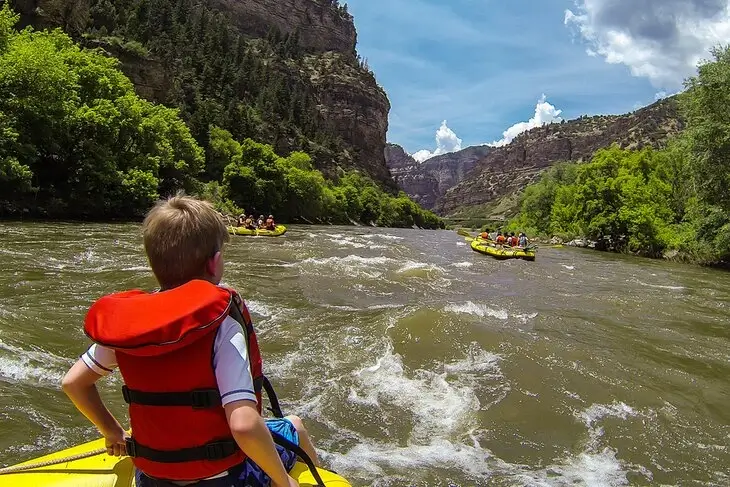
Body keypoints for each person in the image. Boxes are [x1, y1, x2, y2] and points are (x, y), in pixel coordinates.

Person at [61, 195, 315, 487]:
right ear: (215, 262)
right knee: (294, 425)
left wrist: (111, 431)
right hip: (226, 478)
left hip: (152, 479)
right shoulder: (223, 324)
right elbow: (244, 425)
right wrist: (283, 481)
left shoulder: (130, 326)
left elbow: (74, 383)